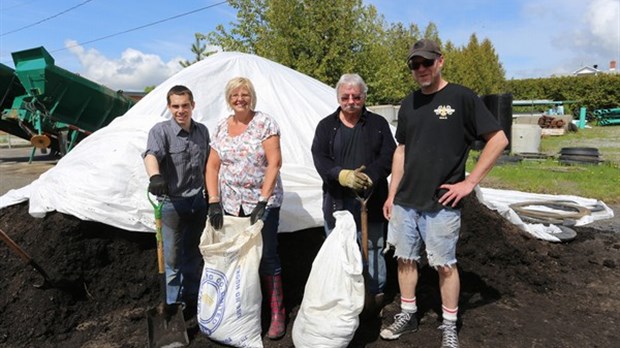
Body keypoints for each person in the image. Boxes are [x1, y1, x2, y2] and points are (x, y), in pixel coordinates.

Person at [380, 39, 509, 348]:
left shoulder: (462, 97)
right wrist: (391, 192)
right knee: (405, 259)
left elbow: (499, 139)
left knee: (444, 264)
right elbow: (402, 150)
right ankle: (408, 314)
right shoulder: (409, 103)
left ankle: (449, 324)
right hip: (405, 201)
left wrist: (470, 183)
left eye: (426, 62)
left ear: (440, 61)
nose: (421, 69)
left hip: (441, 202)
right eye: (415, 64)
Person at [205, 77, 286, 340]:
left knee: (267, 255)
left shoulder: (264, 123)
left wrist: (262, 201)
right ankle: (241, 310)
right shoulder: (221, 127)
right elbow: (213, 166)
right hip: (231, 204)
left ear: (252, 96)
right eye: (235, 95)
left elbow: (274, 163)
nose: (240, 99)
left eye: (245, 94)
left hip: (262, 204)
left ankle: (276, 312)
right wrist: (214, 201)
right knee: (238, 258)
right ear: (228, 98)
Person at [311, 73, 396, 314]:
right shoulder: (326, 126)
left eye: (356, 96)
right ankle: (344, 294)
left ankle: (374, 293)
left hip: (371, 200)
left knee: (372, 247)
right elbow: (319, 157)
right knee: (339, 249)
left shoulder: (378, 124)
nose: (351, 101)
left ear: (364, 97)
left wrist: (370, 175)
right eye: (345, 96)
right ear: (338, 97)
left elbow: (388, 155)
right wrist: (341, 175)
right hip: (337, 202)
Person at [143, 85, 210, 315]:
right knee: (171, 259)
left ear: (193, 105)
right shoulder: (161, 131)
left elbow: (209, 163)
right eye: (175, 106)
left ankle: (192, 298)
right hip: (172, 203)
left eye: (185, 105)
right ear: (169, 107)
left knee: (193, 253)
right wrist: (155, 176)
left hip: (197, 202)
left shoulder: (202, 131)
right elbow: (151, 154)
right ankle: (173, 305)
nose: (180, 110)